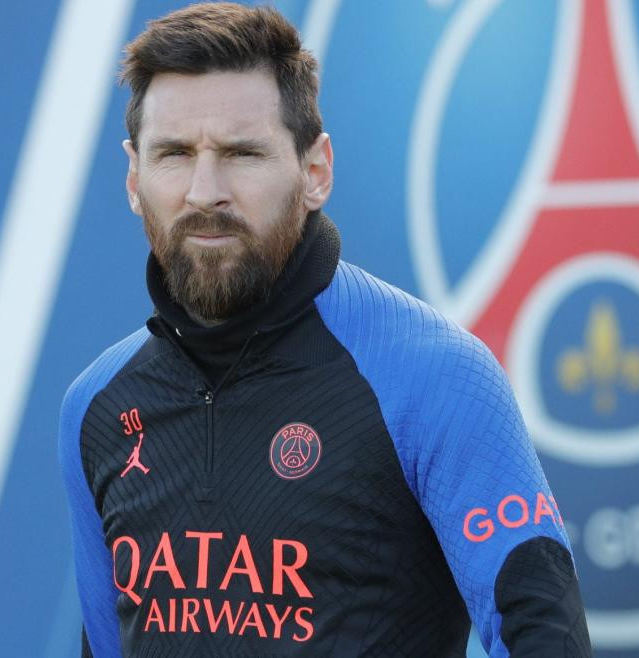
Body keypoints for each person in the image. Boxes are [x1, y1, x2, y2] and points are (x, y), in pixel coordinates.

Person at [59, 4, 591, 656]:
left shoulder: (434, 376)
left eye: (241, 153)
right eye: (173, 154)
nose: (204, 192)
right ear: (135, 177)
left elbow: (547, 640)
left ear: (316, 172)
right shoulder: (96, 406)